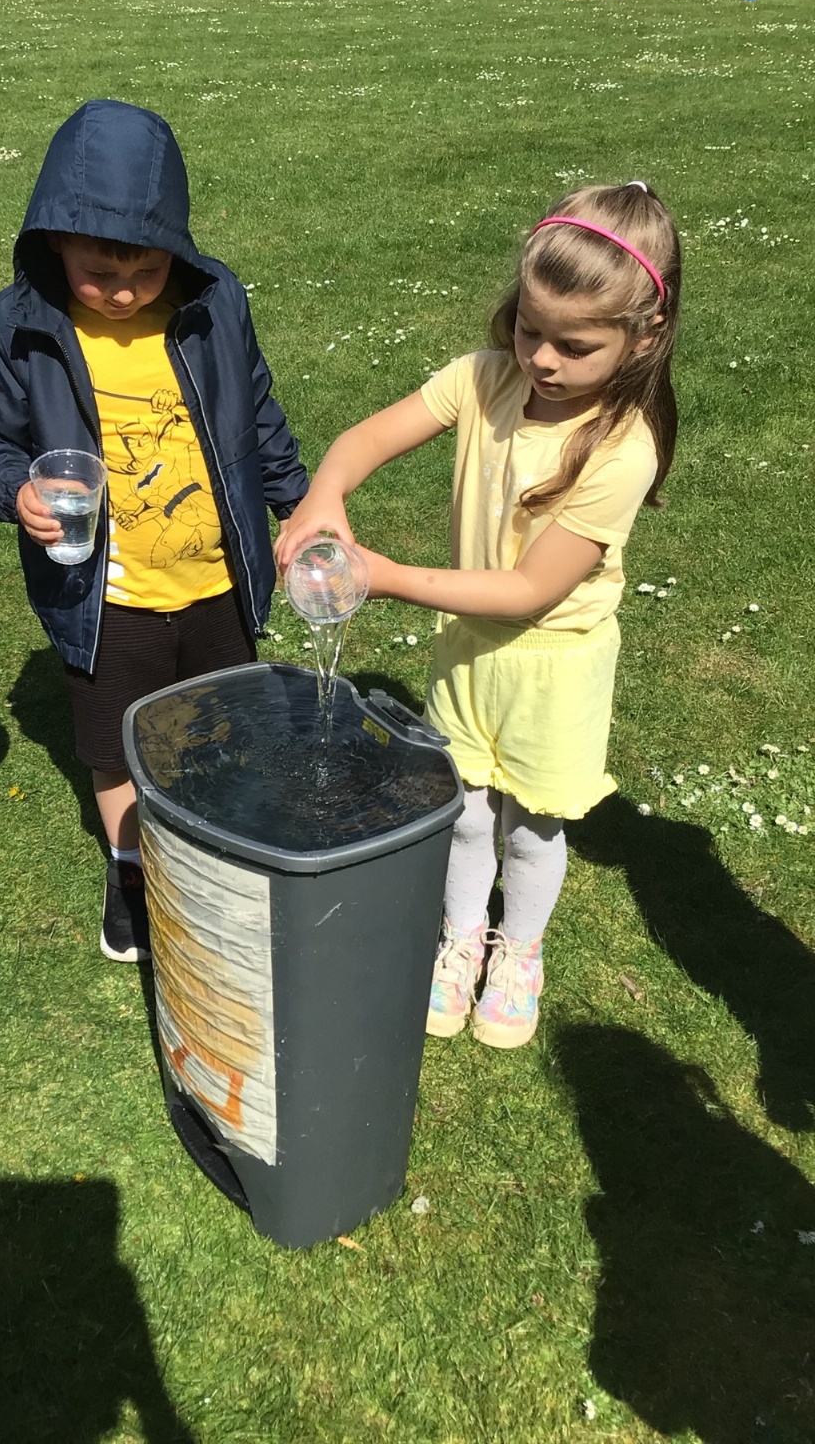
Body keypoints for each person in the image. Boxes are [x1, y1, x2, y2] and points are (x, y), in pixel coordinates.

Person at [278, 182, 680, 1048]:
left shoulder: (623, 449)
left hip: (554, 668)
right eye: (530, 329)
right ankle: (461, 938)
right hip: (468, 649)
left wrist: (384, 576)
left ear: (644, 336)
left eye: (574, 345)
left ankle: (518, 951)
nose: (542, 359)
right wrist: (324, 493)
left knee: (531, 826)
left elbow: (530, 591)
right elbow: (363, 440)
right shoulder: (482, 378)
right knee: (460, 809)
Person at [0, 99, 308, 963]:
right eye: (98, 273)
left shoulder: (215, 303)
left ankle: (216, 854)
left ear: (174, 250)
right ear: (54, 244)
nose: (122, 292)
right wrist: (14, 489)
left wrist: (299, 503)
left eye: (145, 271)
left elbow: (257, 411)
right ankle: (131, 873)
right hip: (104, 594)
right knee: (116, 747)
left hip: (217, 580)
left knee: (221, 730)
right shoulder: (20, 324)